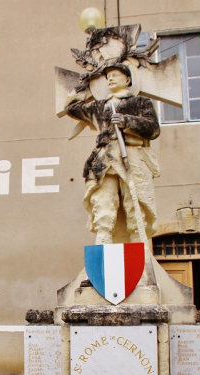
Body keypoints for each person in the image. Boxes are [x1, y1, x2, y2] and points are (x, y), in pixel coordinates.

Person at [64, 64, 161, 244]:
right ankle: (103, 241)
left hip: (131, 155)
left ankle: (136, 243)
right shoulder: (99, 107)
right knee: (103, 202)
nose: (110, 78)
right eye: (108, 76)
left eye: (116, 74)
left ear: (128, 80)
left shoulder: (139, 102)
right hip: (105, 158)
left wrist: (127, 121)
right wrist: (83, 84)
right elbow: (71, 108)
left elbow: (154, 129)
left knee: (135, 203)